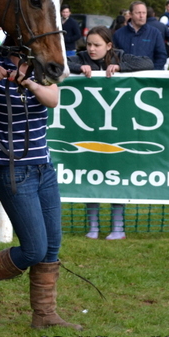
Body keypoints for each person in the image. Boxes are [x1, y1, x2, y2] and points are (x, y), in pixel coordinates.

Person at [0, 44, 81, 331]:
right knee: (34, 249)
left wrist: (30, 82)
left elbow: (53, 99)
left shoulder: (40, 67)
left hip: (44, 170)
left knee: (52, 245)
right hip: (14, 173)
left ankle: (45, 314)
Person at [67, 26, 153, 240]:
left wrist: (120, 67)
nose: (92, 49)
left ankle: (118, 227)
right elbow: (62, 63)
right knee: (90, 174)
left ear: (109, 45)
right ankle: (93, 227)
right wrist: (79, 69)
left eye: (97, 45)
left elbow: (148, 62)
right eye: (89, 44)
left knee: (116, 174)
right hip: (87, 126)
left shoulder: (120, 55)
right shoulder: (81, 57)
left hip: (117, 127)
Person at [113, 1, 166, 70]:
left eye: (144, 13)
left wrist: (153, 73)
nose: (142, 16)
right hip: (126, 77)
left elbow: (161, 56)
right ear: (130, 14)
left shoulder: (155, 33)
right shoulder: (118, 34)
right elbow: (113, 56)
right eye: (138, 13)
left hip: (147, 77)